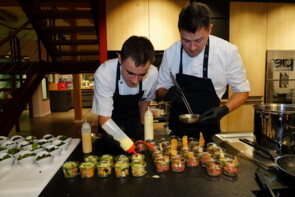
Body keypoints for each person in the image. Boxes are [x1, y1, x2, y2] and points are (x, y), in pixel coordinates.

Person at [156, 2, 250, 142]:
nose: (192, 47)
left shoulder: (227, 52)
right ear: (179, 32)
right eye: (186, 40)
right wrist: (167, 93)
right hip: (177, 132)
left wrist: (223, 110)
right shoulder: (171, 53)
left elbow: (242, 91)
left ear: (210, 29)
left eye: (199, 40)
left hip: (210, 131)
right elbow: (159, 89)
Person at [92, 35, 158, 146]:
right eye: (130, 73)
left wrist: (143, 127)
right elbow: (104, 118)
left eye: (142, 74)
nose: (135, 81)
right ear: (120, 59)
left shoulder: (153, 73)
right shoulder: (105, 73)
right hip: (110, 125)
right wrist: (125, 142)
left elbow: (145, 100)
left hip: (134, 122)